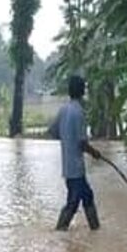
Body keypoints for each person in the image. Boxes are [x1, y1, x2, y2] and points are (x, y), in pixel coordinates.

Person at [49, 75, 102, 231]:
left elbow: (52, 132)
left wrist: (66, 138)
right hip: (76, 168)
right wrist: (95, 153)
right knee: (73, 203)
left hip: (67, 166)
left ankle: (96, 229)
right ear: (82, 91)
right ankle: (59, 230)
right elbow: (82, 143)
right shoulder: (79, 112)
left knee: (87, 196)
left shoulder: (63, 110)